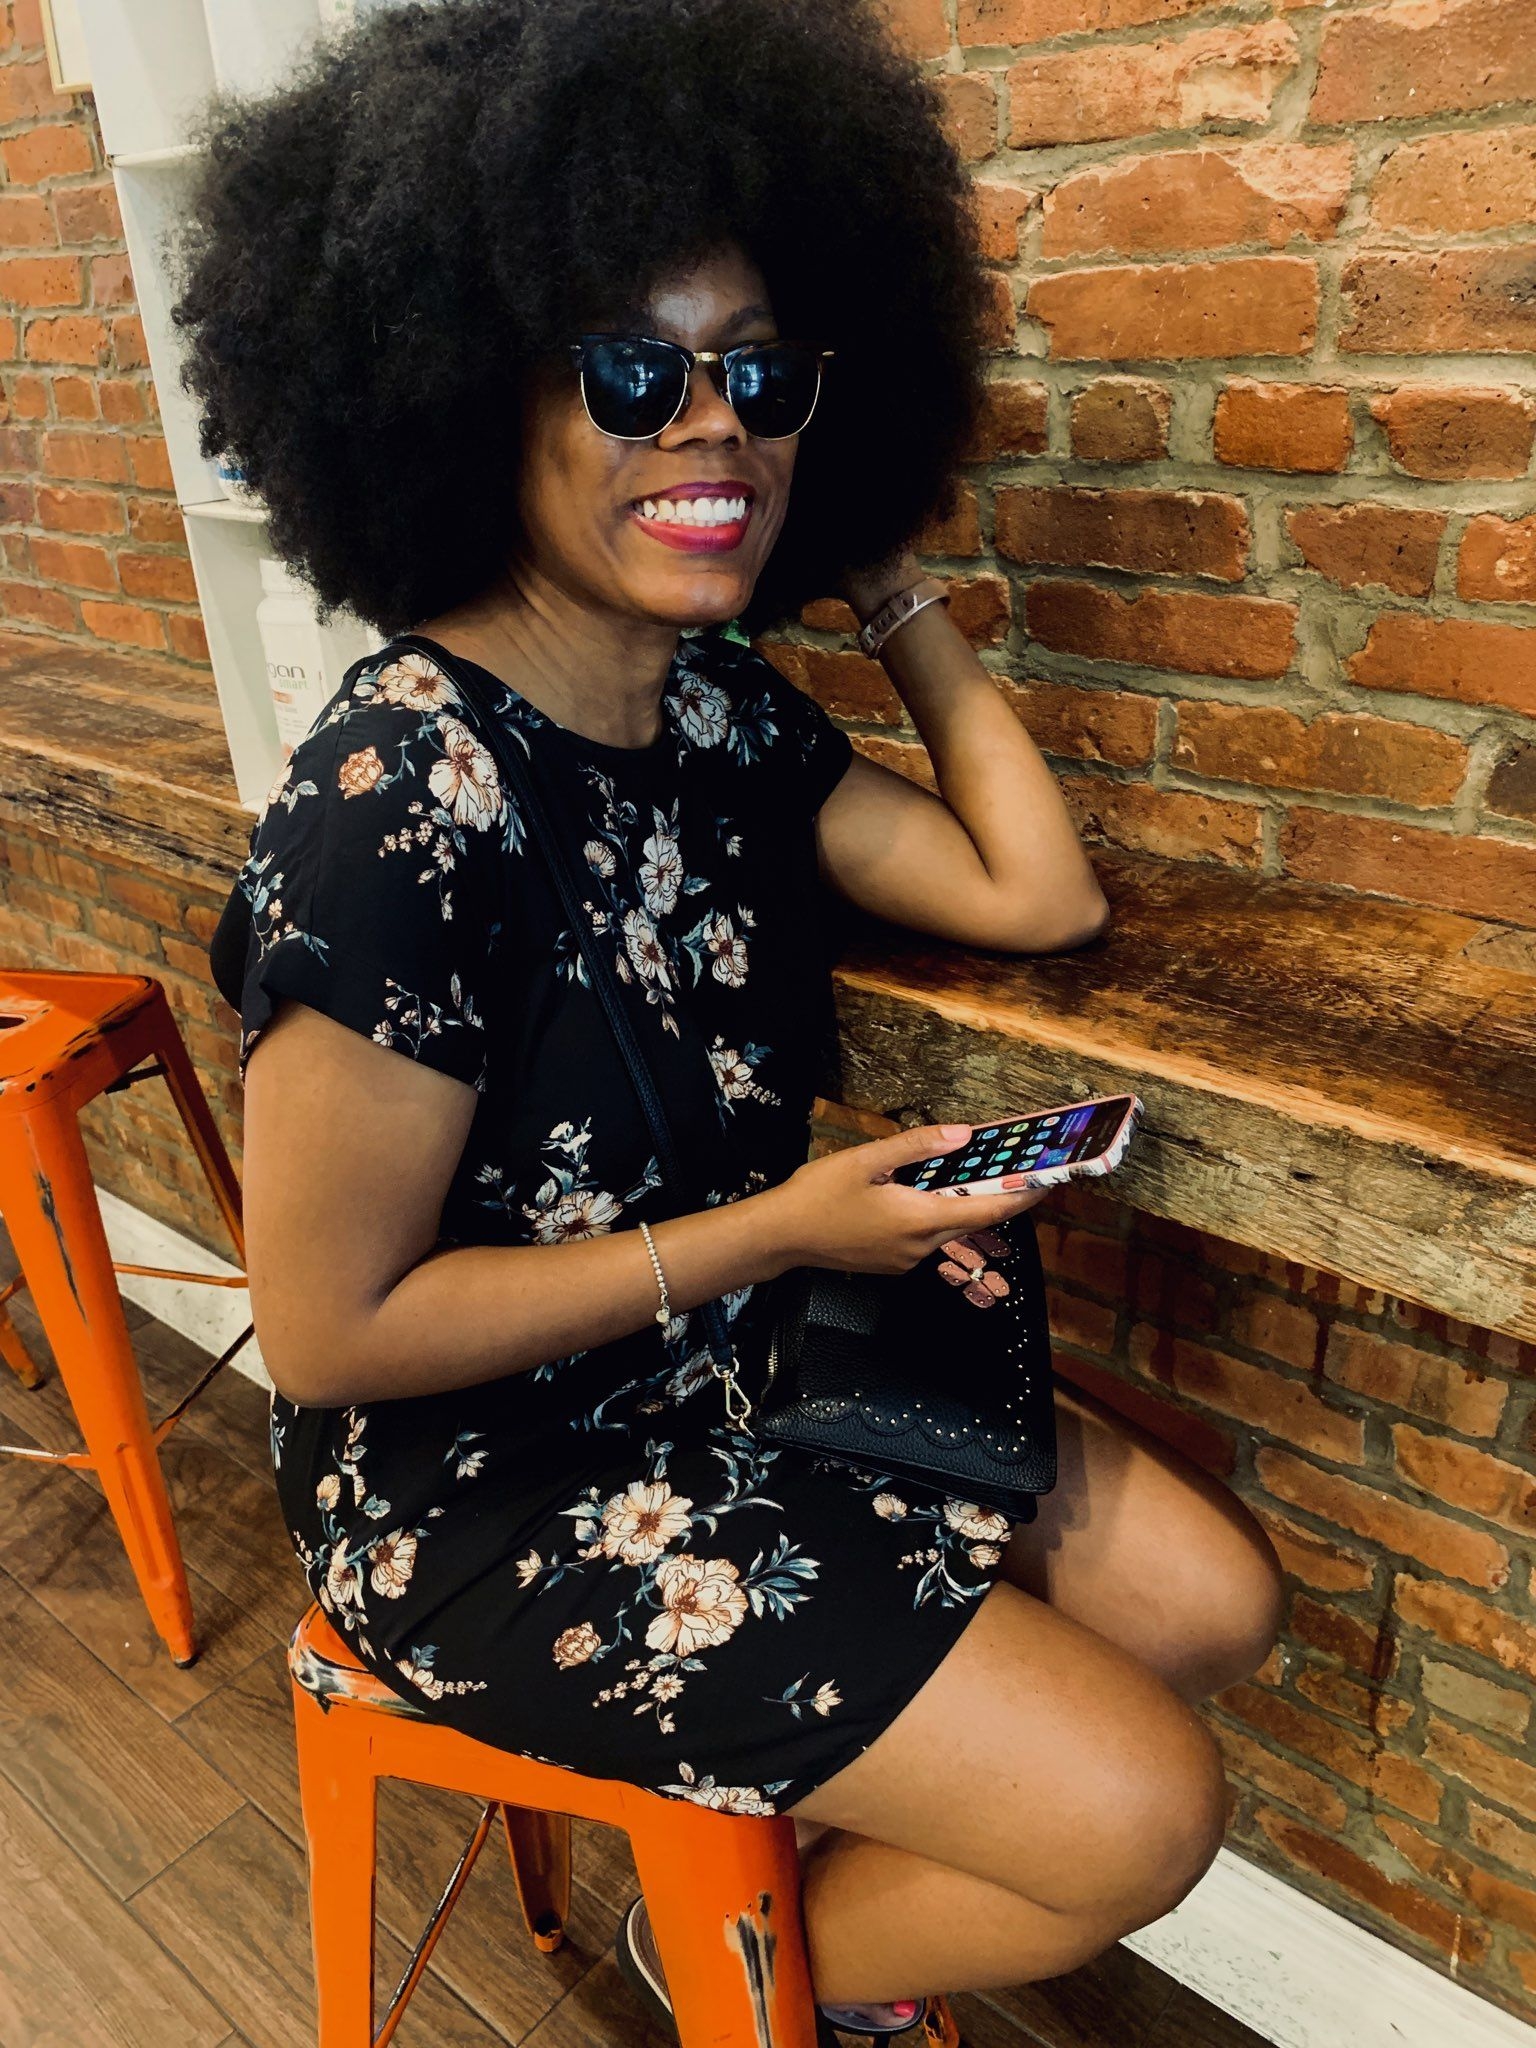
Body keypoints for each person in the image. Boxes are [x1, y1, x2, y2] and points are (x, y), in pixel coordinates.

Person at [185, 0, 1284, 2030]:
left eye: (762, 377)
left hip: (723, 1343)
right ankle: (737, 1975)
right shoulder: (396, 808)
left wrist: (876, 575)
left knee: (1220, 1601)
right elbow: (333, 1334)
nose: (714, 425)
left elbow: (1034, 893)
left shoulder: (711, 717)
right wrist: (783, 1226)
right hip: (477, 1484)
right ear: (461, 391)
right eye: (633, 369)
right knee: (1144, 1812)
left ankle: (754, 1913)